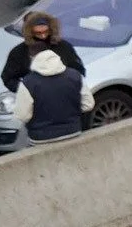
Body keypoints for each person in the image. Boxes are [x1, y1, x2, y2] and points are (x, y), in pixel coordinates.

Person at [5, 9, 87, 145]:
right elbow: (8, 77)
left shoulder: (63, 47)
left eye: (45, 32)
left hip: (64, 108)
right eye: (38, 33)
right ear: (29, 31)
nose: (43, 36)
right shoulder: (19, 53)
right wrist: (26, 92)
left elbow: (78, 70)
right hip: (40, 110)